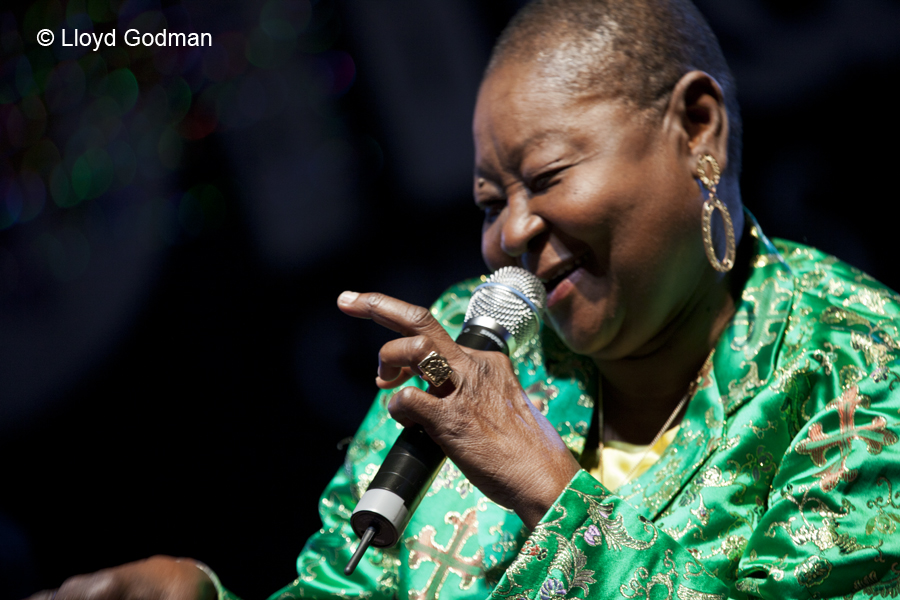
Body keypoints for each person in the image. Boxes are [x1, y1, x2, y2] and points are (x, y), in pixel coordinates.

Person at [28, 0, 900, 599]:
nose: (511, 232)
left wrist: (547, 489)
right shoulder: (473, 361)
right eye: (489, 203)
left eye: (548, 176)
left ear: (697, 127)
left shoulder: (859, 370)